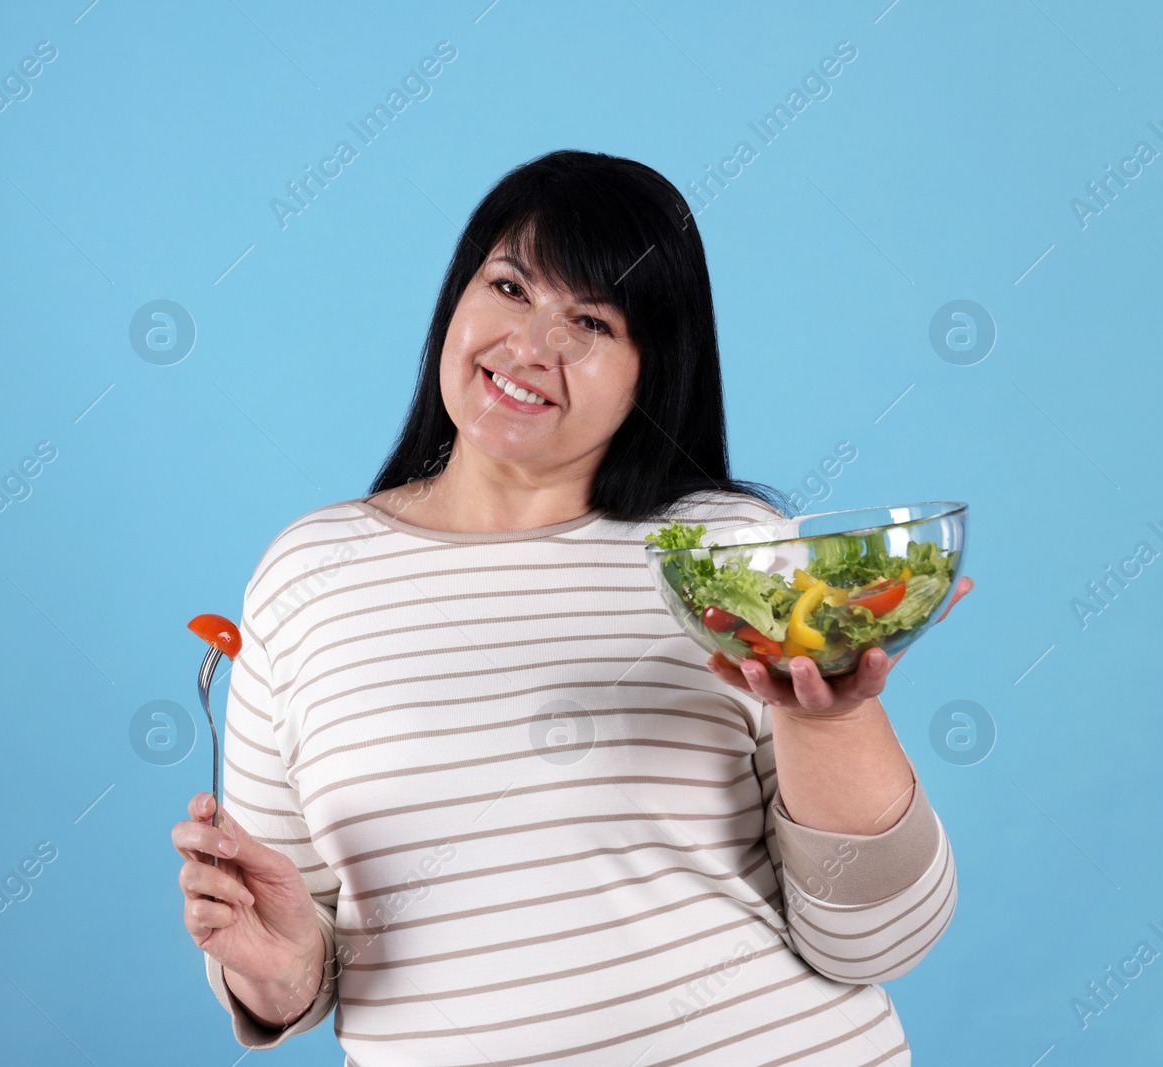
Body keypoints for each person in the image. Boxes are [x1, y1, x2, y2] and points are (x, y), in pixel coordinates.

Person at [172, 149, 972, 1065]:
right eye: (510, 288)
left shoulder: (726, 558)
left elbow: (880, 941)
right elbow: (294, 946)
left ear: (653, 368)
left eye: (590, 320)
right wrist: (275, 973)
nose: (530, 346)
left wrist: (834, 722)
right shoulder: (308, 573)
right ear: (455, 299)